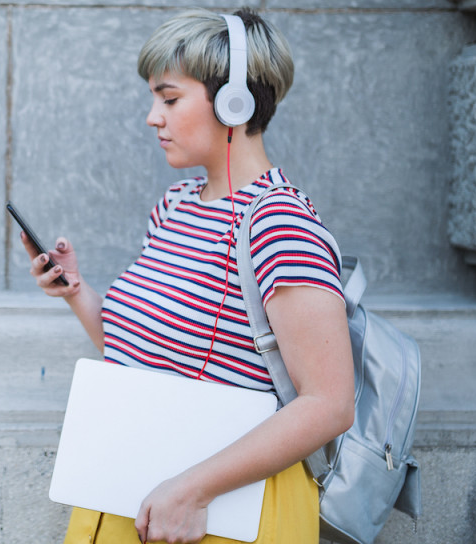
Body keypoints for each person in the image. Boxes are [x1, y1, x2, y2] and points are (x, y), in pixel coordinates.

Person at [22, 8, 355, 544]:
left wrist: (194, 489)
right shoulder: (175, 207)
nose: (152, 117)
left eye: (169, 98)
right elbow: (144, 359)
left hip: (224, 515)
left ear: (234, 102)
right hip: (136, 496)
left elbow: (330, 403)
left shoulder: (279, 223)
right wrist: (78, 293)